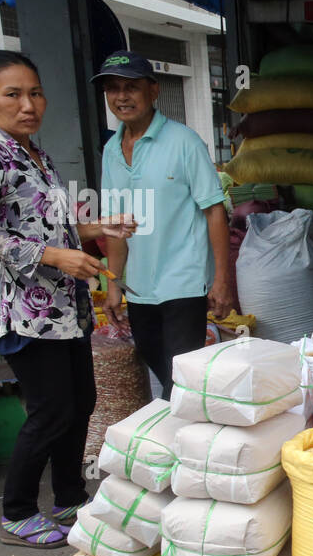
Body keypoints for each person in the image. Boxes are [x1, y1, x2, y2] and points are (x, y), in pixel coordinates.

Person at [0, 50, 136, 549]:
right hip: (25, 310)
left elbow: (50, 226)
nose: (28, 104)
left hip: (66, 309)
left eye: (35, 93)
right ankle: (17, 511)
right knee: (51, 410)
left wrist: (98, 228)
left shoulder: (38, 155)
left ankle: (71, 498)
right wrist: (54, 256)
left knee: (81, 403)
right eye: (12, 94)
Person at [96, 51, 231, 399]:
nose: (121, 97)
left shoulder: (184, 142)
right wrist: (114, 284)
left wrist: (221, 279)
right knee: (158, 362)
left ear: (153, 90)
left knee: (180, 379)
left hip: (183, 282)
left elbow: (214, 211)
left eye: (131, 87)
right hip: (141, 287)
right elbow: (115, 226)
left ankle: (185, 447)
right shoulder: (111, 150)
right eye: (113, 89)